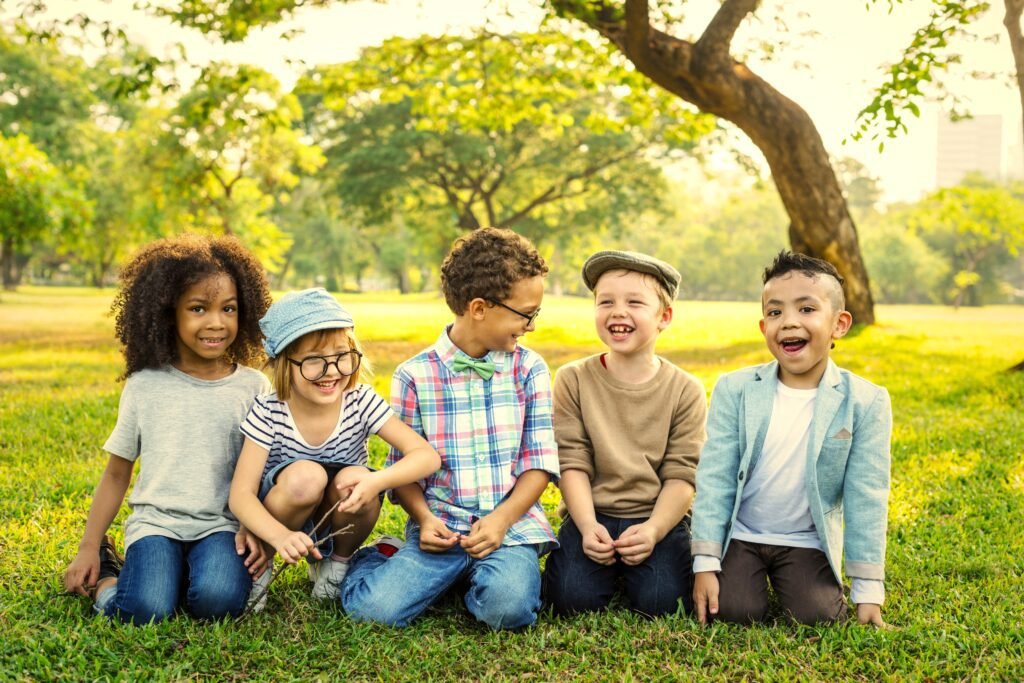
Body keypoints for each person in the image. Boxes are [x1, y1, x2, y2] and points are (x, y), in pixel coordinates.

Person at [341, 227, 559, 630]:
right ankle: (382, 556)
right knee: (373, 612)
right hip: (440, 528)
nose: (531, 325)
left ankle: (472, 581)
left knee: (508, 609)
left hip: (509, 530)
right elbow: (404, 471)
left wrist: (500, 521)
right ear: (479, 308)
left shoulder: (530, 369)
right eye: (526, 314)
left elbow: (539, 463)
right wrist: (424, 519)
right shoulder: (414, 376)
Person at [63, 234, 273, 625]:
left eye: (228, 308)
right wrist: (88, 547)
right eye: (198, 308)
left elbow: (260, 472)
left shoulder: (253, 387)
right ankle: (108, 578)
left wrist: (254, 527)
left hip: (221, 526)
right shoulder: (145, 385)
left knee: (219, 602)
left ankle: (177, 577)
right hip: (156, 525)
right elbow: (117, 474)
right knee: (145, 610)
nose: (216, 322)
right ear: (167, 312)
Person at [691, 250, 892, 627]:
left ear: (839, 324)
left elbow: (866, 496)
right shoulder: (735, 389)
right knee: (734, 611)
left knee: (819, 615)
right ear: (763, 326)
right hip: (743, 535)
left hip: (806, 540)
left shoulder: (866, 401)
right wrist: (705, 563)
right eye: (775, 312)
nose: (788, 322)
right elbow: (716, 477)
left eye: (807, 309)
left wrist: (868, 593)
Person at [229, 288, 441, 603]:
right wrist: (279, 536)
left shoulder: (360, 401)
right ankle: (263, 566)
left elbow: (426, 457)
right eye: (314, 360)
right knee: (306, 477)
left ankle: (336, 564)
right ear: (284, 361)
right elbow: (240, 495)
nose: (332, 372)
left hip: (338, 515)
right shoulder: (269, 410)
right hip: (281, 517)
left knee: (355, 478)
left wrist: (376, 481)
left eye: (342, 356)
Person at [542, 250, 707, 618]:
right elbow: (571, 461)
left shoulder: (685, 389)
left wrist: (653, 530)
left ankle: (645, 563)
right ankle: (597, 561)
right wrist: (587, 526)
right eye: (606, 302)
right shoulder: (573, 379)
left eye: (634, 302)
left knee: (662, 603)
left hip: (657, 514)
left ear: (664, 317)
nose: (618, 312)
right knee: (570, 600)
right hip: (591, 511)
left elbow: (682, 475)